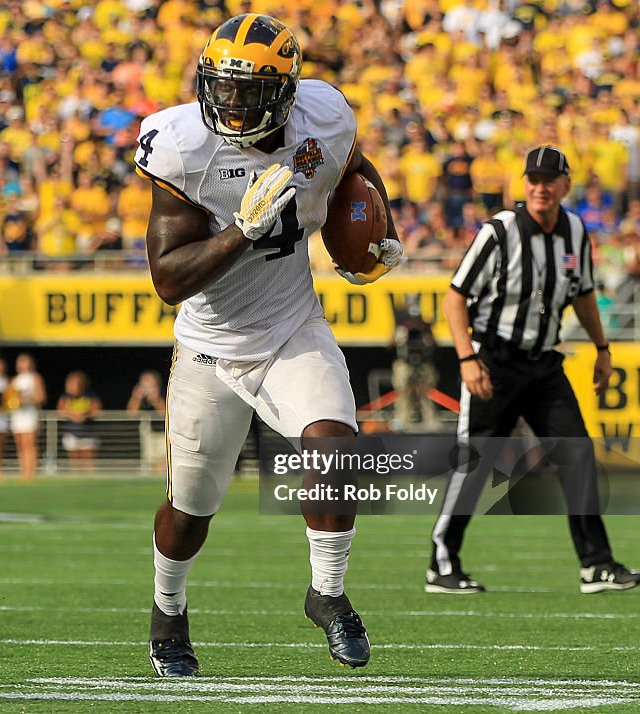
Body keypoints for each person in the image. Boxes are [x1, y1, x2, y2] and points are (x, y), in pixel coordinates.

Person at [134, 13, 403, 676]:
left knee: (337, 444)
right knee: (192, 507)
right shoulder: (183, 145)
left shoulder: (326, 116)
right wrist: (241, 235)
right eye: (221, 86)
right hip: (209, 344)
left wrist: (372, 236)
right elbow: (168, 279)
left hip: (290, 326)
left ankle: (328, 595)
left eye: (247, 89)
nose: (229, 102)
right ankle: (168, 614)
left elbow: (355, 169)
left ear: (285, 91)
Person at [427, 145, 640, 595]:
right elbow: (455, 297)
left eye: (549, 180)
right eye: (533, 179)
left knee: (579, 454)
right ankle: (442, 562)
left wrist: (603, 348)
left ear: (566, 185)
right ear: (522, 185)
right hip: (495, 361)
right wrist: (468, 360)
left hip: (545, 363)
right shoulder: (498, 232)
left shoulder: (575, 230)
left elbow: (584, 292)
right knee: (476, 464)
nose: (540, 187)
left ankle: (596, 565)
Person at [390, 299, 441, 431]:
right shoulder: (402, 326)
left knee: (427, 393)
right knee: (403, 392)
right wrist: (401, 336)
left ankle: (431, 421)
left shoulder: (424, 326)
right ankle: (402, 420)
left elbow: (434, 345)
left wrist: (426, 337)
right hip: (405, 362)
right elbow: (391, 345)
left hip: (423, 363)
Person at [9, 353, 46, 481]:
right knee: (20, 444)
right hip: (17, 415)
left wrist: (25, 399)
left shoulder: (35, 378)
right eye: (20, 361)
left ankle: (31, 472)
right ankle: (23, 470)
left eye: (24, 361)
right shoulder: (15, 380)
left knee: (29, 444)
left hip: (30, 415)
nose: (21, 364)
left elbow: (41, 397)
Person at [57, 371, 102, 470]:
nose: (69, 386)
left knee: (88, 459)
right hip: (71, 432)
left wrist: (84, 414)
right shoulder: (65, 397)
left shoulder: (90, 395)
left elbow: (97, 409)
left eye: (72, 384)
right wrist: (74, 415)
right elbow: (61, 410)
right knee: (75, 461)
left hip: (88, 432)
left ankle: (90, 480)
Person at [127, 370, 167, 473]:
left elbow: (165, 413)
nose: (147, 388)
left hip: (164, 433)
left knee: (162, 461)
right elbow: (131, 413)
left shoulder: (164, 392)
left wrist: (155, 399)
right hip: (148, 433)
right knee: (150, 462)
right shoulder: (140, 396)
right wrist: (136, 397)